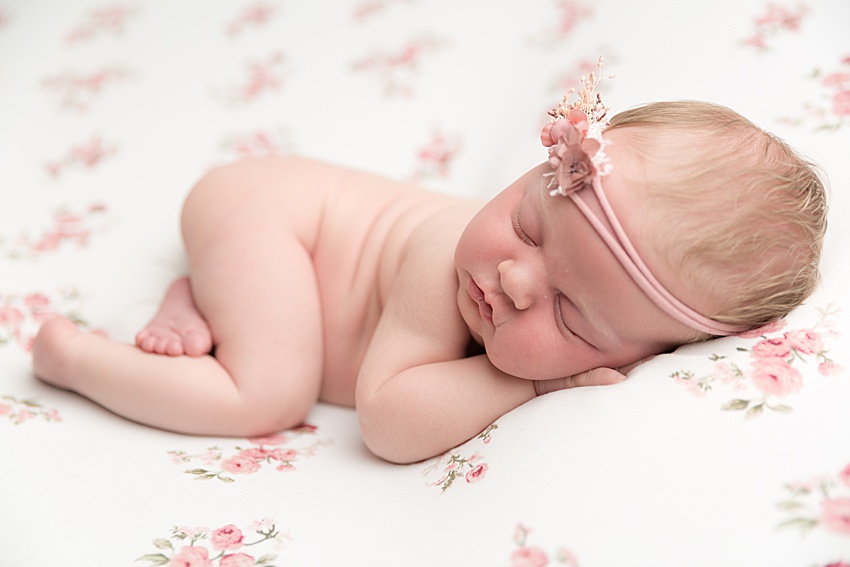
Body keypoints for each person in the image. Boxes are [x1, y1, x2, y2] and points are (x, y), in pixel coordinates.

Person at [31, 64, 827, 464]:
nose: (513, 279)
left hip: (284, 266)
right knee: (265, 391)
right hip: (270, 215)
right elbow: (385, 418)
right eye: (526, 223)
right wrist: (537, 376)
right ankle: (75, 357)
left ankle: (204, 297)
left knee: (277, 340)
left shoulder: (535, 284)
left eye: (570, 314)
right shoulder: (442, 257)